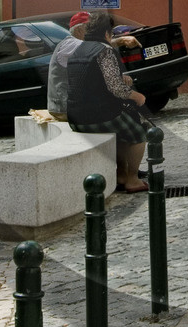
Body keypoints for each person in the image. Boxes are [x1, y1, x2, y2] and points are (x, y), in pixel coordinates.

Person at [61, 12, 151, 192]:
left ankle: (121, 174)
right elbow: (115, 88)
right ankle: (132, 179)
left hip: (75, 116)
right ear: (106, 34)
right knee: (138, 133)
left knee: (120, 133)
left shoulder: (79, 49)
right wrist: (137, 96)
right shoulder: (104, 51)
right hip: (98, 114)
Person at [46, 11, 93, 120]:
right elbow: (96, 48)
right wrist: (120, 40)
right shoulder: (71, 43)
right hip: (63, 108)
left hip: (65, 106)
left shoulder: (75, 45)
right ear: (80, 29)